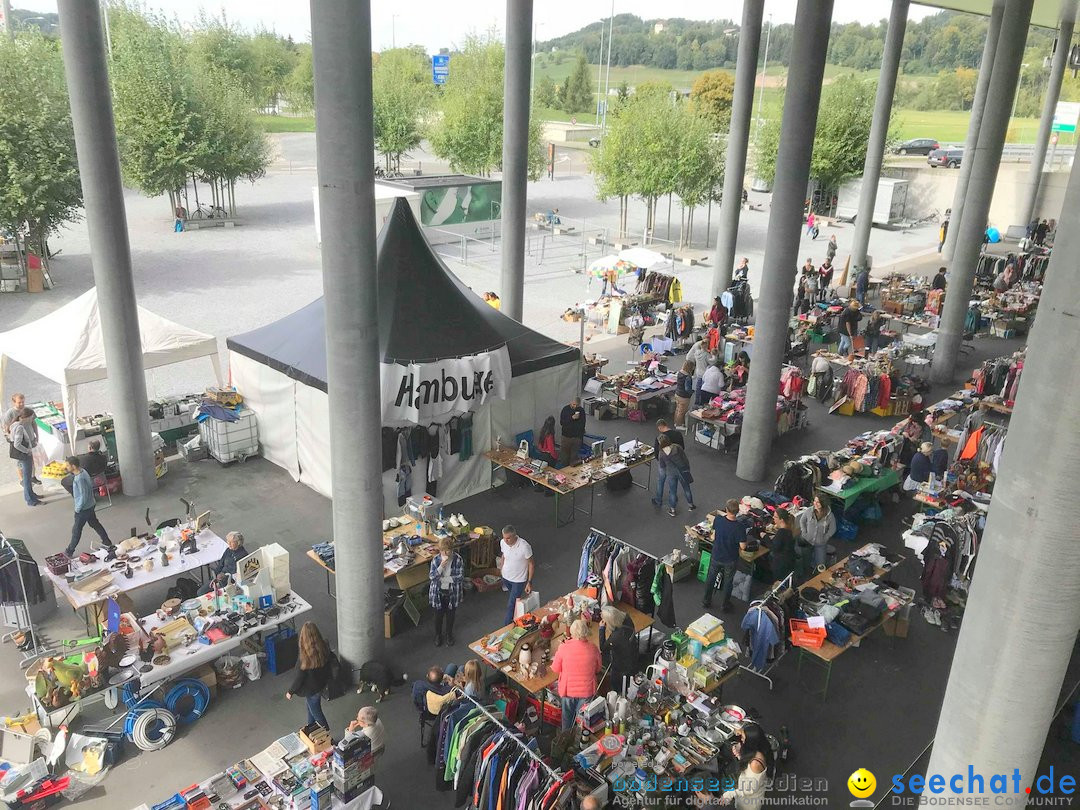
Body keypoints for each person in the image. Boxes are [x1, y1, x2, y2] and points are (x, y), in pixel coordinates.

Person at [550, 618, 602, 731]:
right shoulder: (593, 649)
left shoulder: (563, 648)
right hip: (587, 691)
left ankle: (565, 739)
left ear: (572, 633)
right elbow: (598, 669)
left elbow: (555, 668)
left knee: (567, 720)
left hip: (568, 691)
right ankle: (579, 741)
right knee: (582, 721)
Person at [285, 622, 333, 730]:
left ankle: (327, 736)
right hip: (321, 685)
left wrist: (290, 692)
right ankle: (310, 728)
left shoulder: (305, 658)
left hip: (311, 690)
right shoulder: (324, 646)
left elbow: (299, 678)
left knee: (317, 713)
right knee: (311, 707)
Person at [703, 499, 746, 611]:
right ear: (737, 511)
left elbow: (714, 535)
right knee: (728, 582)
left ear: (726, 509)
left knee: (711, 578)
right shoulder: (740, 527)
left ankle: (706, 601)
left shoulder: (718, 520)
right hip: (730, 559)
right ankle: (725, 604)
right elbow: (743, 546)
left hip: (717, 555)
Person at [64, 456, 113, 555]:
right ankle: (106, 541)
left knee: (76, 530)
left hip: (83, 509)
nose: (67, 468)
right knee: (95, 523)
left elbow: (83, 495)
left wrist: (78, 508)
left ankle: (69, 551)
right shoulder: (83, 471)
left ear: (73, 466)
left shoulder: (79, 479)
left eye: (68, 466)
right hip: (90, 504)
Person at [719, 723, 774, 808]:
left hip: (749, 802)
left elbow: (750, 789)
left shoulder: (755, 764)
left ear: (751, 742)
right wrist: (740, 756)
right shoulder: (762, 749)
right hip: (745, 792)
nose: (741, 739)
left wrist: (730, 793)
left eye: (744, 737)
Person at [429, 537, 464, 647]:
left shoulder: (458, 559)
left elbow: (460, 577)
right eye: (442, 551)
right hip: (438, 593)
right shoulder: (436, 560)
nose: (444, 553)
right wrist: (440, 568)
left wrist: (443, 579)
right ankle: (438, 635)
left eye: (447, 550)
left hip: (452, 593)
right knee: (438, 616)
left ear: (451, 550)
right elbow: (432, 577)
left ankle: (449, 634)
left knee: (450, 616)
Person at [498, 525, 534, 627]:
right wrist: (501, 569)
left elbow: (531, 564)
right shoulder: (503, 542)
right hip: (506, 577)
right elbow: (504, 555)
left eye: (508, 538)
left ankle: (507, 627)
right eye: (504, 538)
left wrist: (529, 582)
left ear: (515, 536)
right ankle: (518, 616)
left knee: (511, 604)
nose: (505, 540)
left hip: (519, 580)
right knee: (514, 601)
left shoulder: (524, 546)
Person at [654, 433, 695, 517]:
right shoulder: (676, 447)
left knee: (673, 491)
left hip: (671, 473)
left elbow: (662, 466)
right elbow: (684, 458)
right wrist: (687, 468)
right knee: (686, 489)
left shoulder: (661, 453)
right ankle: (691, 505)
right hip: (682, 470)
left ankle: (672, 510)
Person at [4, 394, 40, 486]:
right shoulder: (10, 413)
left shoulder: (28, 411)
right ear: (14, 402)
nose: (22, 404)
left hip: (30, 438)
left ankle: (32, 477)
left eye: (23, 402)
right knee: (20, 462)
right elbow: (7, 427)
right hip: (19, 441)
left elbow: (34, 423)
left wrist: (37, 436)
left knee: (32, 459)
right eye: (19, 402)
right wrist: (11, 439)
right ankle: (22, 480)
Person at [599, 605, 636, 692]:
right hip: (632, 654)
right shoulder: (627, 619)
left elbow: (603, 648)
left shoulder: (616, 637)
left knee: (616, 685)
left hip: (620, 665)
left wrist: (601, 629)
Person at [10, 409, 42, 508]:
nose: (31, 420)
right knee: (27, 479)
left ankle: (32, 495)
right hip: (24, 455)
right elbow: (17, 444)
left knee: (27, 477)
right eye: (31, 417)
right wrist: (27, 451)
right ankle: (30, 499)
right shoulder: (19, 427)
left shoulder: (14, 424)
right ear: (25, 417)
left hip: (22, 455)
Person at [798, 495, 836, 569]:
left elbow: (833, 529)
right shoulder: (809, 511)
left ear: (823, 503)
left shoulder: (830, 516)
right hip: (807, 541)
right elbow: (802, 521)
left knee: (820, 565)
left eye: (818, 502)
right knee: (805, 563)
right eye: (814, 501)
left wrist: (825, 538)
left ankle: (823, 549)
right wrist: (804, 532)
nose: (815, 503)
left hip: (820, 543)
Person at [769, 508, 797, 584]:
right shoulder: (789, 529)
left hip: (780, 564)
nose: (773, 518)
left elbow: (774, 548)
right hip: (789, 561)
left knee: (779, 583)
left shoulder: (781, 532)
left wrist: (765, 537)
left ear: (781, 519)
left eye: (775, 517)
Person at [558, 397, 586, 467]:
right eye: (574, 404)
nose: (575, 406)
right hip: (566, 437)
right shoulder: (565, 410)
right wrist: (572, 418)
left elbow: (583, 423)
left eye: (577, 405)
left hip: (577, 438)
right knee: (564, 457)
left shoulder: (581, 411)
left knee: (574, 457)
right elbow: (562, 422)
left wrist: (580, 435)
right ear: (571, 402)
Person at [673, 361, 695, 429]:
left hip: (677, 394)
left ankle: (676, 423)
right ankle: (679, 425)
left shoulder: (680, 373)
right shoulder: (687, 377)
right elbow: (687, 389)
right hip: (684, 396)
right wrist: (692, 392)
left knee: (678, 410)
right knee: (682, 411)